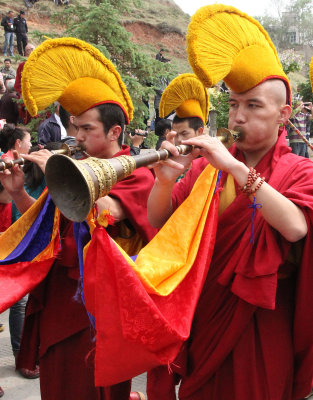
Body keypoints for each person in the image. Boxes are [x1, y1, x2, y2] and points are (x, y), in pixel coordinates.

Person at [147, 5, 313, 400]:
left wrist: (235, 170)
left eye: (253, 105)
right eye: (235, 104)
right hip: (207, 318)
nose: (238, 117)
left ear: (282, 114)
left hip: (263, 323)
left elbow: (295, 226)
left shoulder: (298, 171)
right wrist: (166, 179)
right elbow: (160, 222)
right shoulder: (209, 173)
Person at [0, 37, 156, 400]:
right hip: (59, 297)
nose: (77, 137)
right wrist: (20, 190)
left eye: (87, 129)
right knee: (56, 385)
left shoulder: (137, 174)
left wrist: (57, 172)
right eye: (75, 127)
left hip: (97, 306)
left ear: (116, 132)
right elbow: (42, 229)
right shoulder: (77, 167)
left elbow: (103, 213)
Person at [0, 124, 39, 380]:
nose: (30, 147)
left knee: (18, 303)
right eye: (27, 142)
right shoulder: (6, 164)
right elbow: (6, 197)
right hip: (5, 242)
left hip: (7, 241)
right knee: (17, 303)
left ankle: (21, 357)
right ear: (17, 145)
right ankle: (21, 358)